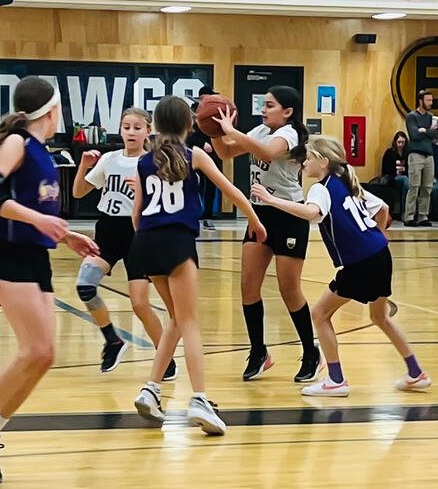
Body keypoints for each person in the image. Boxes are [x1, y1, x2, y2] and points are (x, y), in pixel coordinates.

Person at [0, 76, 101, 483]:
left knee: (45, 354)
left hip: (34, 255)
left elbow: (36, 211)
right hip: (5, 252)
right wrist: (41, 219)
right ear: (53, 108)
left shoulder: (45, 153)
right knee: (34, 349)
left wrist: (66, 235)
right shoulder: (18, 143)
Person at [252, 136, 430, 397]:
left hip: (362, 263)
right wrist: (376, 236)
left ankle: (336, 380)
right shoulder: (346, 182)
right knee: (379, 317)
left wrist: (271, 200)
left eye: (309, 158)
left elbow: (312, 213)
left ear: (323, 162)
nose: (304, 162)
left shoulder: (320, 188)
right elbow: (383, 208)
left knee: (320, 314)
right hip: (380, 255)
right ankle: (416, 373)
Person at [131, 96, 266, 435]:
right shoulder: (196, 156)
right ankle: (200, 399)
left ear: (155, 126)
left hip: (145, 242)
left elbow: (137, 214)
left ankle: (151, 389)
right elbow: (232, 191)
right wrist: (255, 220)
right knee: (190, 322)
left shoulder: (144, 162)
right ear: (190, 125)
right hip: (176, 242)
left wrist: (147, 242)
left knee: (176, 318)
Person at [211, 87, 320, 384]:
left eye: (269, 105)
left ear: (288, 112)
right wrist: (214, 130)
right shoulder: (259, 130)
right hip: (259, 214)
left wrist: (232, 129)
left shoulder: (291, 134)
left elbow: (266, 153)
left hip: (288, 215)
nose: (263, 109)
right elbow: (226, 153)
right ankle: (259, 352)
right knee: (248, 285)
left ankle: (311, 351)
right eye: (263, 103)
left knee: (289, 289)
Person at [72, 107, 173, 377]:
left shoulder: (152, 163)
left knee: (139, 304)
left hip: (139, 235)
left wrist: (143, 190)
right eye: (126, 126)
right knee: (84, 285)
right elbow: (79, 192)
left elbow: (165, 203)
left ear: (148, 131)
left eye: (137, 127)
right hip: (107, 230)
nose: (131, 132)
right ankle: (113, 340)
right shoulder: (109, 159)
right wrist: (84, 166)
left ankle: (167, 360)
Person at [185, 91, 221, 230]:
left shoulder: (215, 111)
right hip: (194, 155)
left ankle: (207, 215)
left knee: (212, 186)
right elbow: (187, 135)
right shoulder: (192, 111)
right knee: (194, 184)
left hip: (212, 155)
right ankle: (193, 213)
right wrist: (201, 144)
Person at [404, 89, 438, 226]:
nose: (431, 103)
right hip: (416, 154)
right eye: (428, 100)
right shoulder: (412, 116)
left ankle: (423, 216)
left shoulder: (432, 117)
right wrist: (428, 131)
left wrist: (425, 130)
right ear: (421, 101)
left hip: (429, 155)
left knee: (427, 187)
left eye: (431, 100)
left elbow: (437, 134)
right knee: (414, 186)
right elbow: (414, 135)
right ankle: (409, 216)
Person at [380, 131, 409, 218]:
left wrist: (404, 170)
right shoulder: (389, 153)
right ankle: (404, 212)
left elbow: (411, 168)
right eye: (399, 142)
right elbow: (385, 170)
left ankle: (405, 211)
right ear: (395, 142)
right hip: (392, 178)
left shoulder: (407, 154)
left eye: (403, 142)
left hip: (406, 178)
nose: (401, 145)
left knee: (407, 182)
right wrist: (396, 171)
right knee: (405, 180)